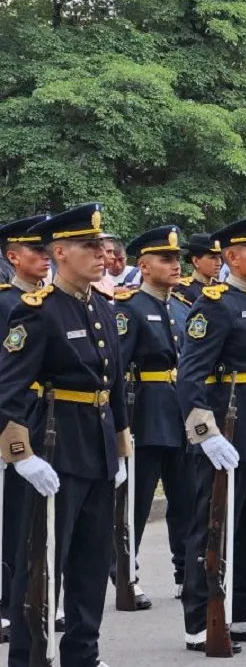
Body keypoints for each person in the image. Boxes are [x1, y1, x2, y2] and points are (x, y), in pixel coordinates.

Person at [0, 203, 132, 667]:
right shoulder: (36, 311)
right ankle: (29, 656)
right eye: (89, 246)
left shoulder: (101, 306)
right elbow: (8, 388)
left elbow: (113, 385)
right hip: (54, 445)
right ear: (60, 251)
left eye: (102, 245)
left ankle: (82, 653)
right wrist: (21, 454)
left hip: (95, 446)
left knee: (92, 561)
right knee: (40, 561)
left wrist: (120, 450)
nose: (102, 253)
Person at [176, 212, 246, 651]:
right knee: (212, 523)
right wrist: (204, 430)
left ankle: (244, 609)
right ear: (231, 256)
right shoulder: (214, 303)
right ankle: (200, 617)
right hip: (227, 423)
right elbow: (191, 375)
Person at [113, 225, 191, 610]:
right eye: (166, 259)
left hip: (179, 412)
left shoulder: (182, 307)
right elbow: (117, 368)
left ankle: (185, 572)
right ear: (143, 265)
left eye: (177, 258)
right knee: (137, 501)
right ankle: (125, 569)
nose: (175, 265)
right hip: (146, 411)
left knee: (185, 499)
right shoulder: (129, 309)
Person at [0, 213, 51, 644]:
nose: (46, 257)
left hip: (49, 416)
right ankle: (7, 603)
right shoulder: (4, 302)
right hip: (15, 418)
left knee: (41, 516)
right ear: (13, 256)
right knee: (11, 518)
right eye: (37, 250)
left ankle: (38, 596)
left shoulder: (52, 301)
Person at [178, 234, 222, 304]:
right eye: (212, 258)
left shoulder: (222, 287)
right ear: (195, 261)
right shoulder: (182, 290)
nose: (219, 263)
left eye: (220, 257)